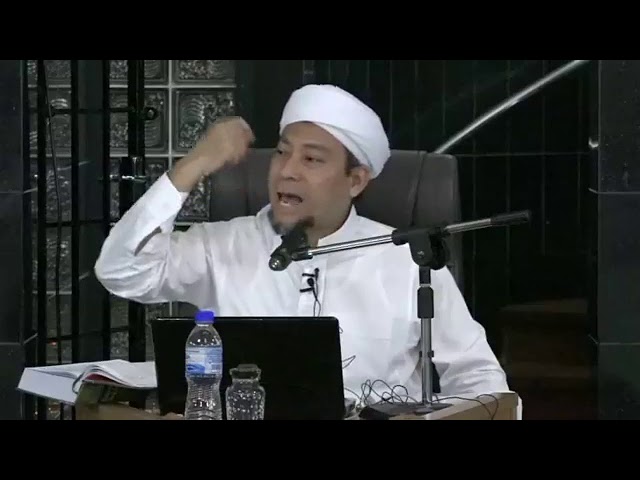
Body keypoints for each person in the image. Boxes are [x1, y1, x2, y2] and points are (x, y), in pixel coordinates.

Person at [95, 83, 512, 410]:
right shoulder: (222, 246)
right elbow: (120, 271)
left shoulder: (406, 260)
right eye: (281, 153)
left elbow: (479, 378)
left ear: (355, 181)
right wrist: (195, 163)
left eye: (311, 159)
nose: (287, 171)